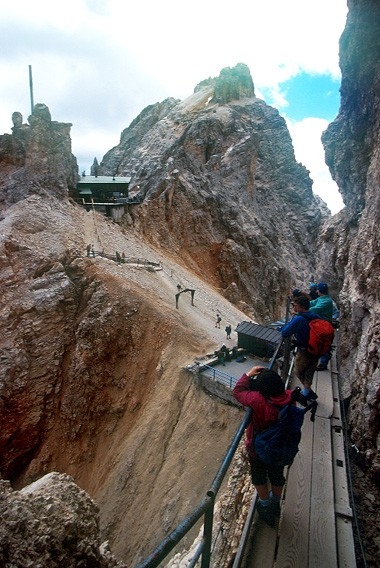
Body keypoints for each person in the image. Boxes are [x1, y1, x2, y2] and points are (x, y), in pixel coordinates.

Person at [233, 366, 295, 526]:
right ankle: (275, 502)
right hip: (281, 447)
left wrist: (248, 375)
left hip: (259, 448)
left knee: (259, 476)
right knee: (277, 474)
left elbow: (238, 392)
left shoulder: (258, 401)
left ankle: (265, 505)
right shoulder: (290, 397)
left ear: (263, 391)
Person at [280, 295, 321, 400]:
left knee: (298, 371)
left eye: (295, 305)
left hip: (305, 350)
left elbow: (285, 332)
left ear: (302, 306)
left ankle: (307, 392)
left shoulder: (299, 319)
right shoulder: (314, 315)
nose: (294, 307)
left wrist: (288, 324)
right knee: (309, 371)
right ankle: (307, 392)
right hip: (317, 349)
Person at [309, 283, 334, 371]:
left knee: (324, 343)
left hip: (325, 326)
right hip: (320, 324)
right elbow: (312, 303)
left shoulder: (326, 301)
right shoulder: (322, 298)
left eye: (317, 290)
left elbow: (315, 309)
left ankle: (323, 363)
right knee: (319, 342)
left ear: (320, 291)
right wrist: (304, 303)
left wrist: (302, 308)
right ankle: (319, 358)